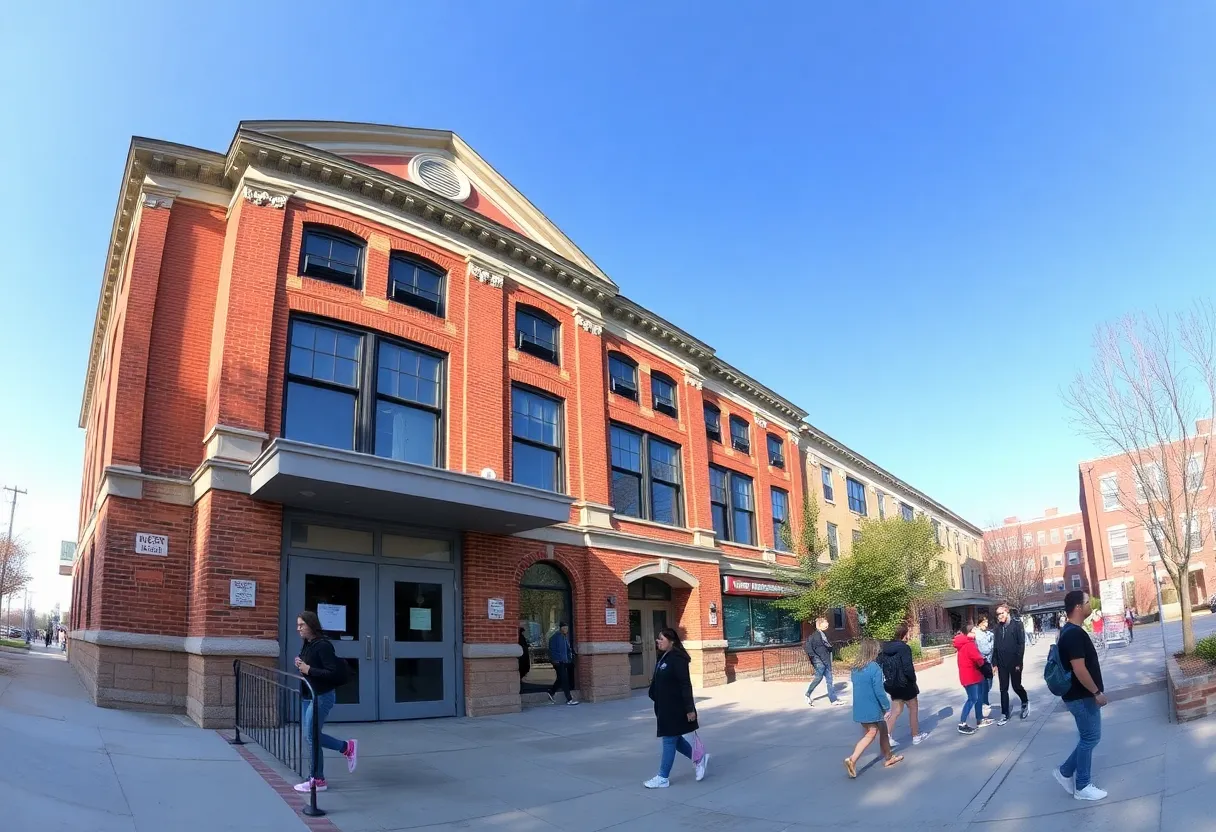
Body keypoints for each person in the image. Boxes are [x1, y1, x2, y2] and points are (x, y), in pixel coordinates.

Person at [1052, 591, 1108, 802]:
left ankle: (1065, 772)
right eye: (1087, 602)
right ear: (1077, 607)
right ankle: (1082, 785)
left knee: (1089, 737)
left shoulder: (1069, 631)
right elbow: (1079, 669)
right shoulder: (1073, 634)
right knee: (1091, 737)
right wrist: (1096, 692)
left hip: (1078, 695)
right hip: (1082, 696)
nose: (1090, 605)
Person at [293, 610, 357, 793]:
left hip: (322, 696)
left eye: (301, 625)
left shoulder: (323, 646)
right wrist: (300, 664)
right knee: (310, 736)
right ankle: (346, 747)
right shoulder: (307, 644)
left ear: (311, 625)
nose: (298, 629)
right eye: (298, 625)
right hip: (308, 695)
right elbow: (308, 667)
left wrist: (309, 669)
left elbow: (331, 673)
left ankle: (317, 779)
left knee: (312, 736)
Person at [643, 627, 708, 788]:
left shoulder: (678, 659)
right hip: (664, 706)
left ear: (671, 641)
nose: (658, 641)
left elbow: (685, 685)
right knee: (675, 739)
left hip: (676, 707)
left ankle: (663, 777)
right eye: (658, 638)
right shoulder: (664, 656)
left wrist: (690, 708)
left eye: (661, 639)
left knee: (669, 739)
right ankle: (699, 759)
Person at [843, 638, 903, 777]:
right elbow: (879, 690)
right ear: (873, 651)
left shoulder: (856, 668)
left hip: (860, 706)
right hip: (872, 706)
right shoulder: (874, 667)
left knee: (883, 729)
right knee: (871, 733)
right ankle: (852, 759)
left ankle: (888, 758)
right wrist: (887, 707)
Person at [881, 623, 928, 746]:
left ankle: (887, 736)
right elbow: (908, 668)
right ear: (904, 634)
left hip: (892, 684)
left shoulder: (884, 648)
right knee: (913, 709)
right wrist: (913, 680)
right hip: (906, 684)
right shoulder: (904, 648)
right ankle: (915, 735)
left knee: (895, 711)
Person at [993, 603, 1029, 725]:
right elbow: (995, 647)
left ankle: (1025, 702)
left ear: (1007, 612)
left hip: (1015, 663)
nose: (999, 617)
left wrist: (1019, 662)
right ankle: (1005, 714)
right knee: (1003, 689)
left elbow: (1021, 644)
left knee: (1016, 685)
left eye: (1001, 613)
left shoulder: (1017, 625)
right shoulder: (997, 628)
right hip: (1002, 663)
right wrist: (994, 663)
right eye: (997, 614)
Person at [954, 623, 991, 735]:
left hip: (972, 676)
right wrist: (984, 662)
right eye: (973, 630)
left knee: (978, 697)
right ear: (968, 632)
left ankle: (979, 719)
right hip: (971, 677)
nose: (976, 632)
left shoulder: (963, 643)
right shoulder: (969, 644)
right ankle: (962, 723)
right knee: (972, 699)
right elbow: (978, 659)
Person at [804, 617, 843, 707]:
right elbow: (809, 648)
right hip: (820, 662)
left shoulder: (824, 634)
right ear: (820, 625)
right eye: (826, 622)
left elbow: (828, 646)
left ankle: (833, 700)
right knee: (818, 678)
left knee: (829, 680)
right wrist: (816, 659)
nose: (828, 624)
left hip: (826, 660)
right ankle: (807, 694)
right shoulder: (814, 636)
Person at [547, 623, 579, 705]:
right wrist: (555, 660)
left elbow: (567, 649)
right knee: (564, 680)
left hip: (564, 661)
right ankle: (569, 699)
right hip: (558, 662)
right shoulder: (555, 637)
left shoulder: (564, 637)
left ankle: (551, 692)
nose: (566, 629)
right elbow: (552, 650)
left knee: (561, 679)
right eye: (564, 628)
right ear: (560, 628)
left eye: (567, 628)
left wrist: (569, 658)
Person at [974, 615, 995, 713]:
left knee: (989, 683)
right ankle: (984, 703)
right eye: (983, 623)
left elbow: (992, 647)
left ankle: (984, 702)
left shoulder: (989, 634)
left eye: (987, 622)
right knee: (984, 685)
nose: (986, 625)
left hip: (989, 661)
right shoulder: (975, 634)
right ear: (979, 624)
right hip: (981, 662)